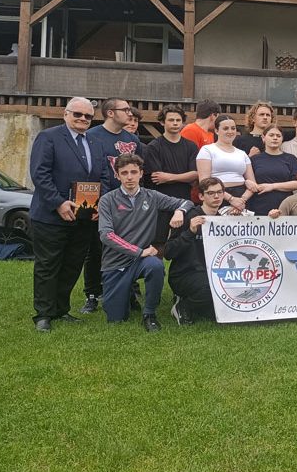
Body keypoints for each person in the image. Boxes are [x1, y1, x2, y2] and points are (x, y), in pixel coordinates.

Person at [29, 97, 110, 332]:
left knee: (72, 265)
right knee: (48, 265)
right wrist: (58, 203)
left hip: (83, 218)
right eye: (78, 115)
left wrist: (99, 205)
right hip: (51, 216)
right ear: (66, 114)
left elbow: (103, 176)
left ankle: (60, 309)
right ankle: (43, 314)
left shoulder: (94, 142)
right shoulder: (49, 137)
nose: (83, 119)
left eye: (87, 116)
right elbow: (40, 174)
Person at [97, 154, 191, 331]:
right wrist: (139, 251)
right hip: (115, 263)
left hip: (142, 261)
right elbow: (106, 235)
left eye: (134, 172)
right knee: (116, 318)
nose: (129, 177)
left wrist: (179, 211)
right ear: (117, 175)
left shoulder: (152, 196)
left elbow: (187, 202)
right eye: (124, 173)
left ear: (141, 173)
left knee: (155, 266)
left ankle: (149, 314)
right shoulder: (107, 200)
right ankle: (128, 294)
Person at [81, 97, 142, 315]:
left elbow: (139, 172)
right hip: (100, 202)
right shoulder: (91, 137)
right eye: (125, 109)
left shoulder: (132, 139)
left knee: (128, 245)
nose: (129, 113)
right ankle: (92, 294)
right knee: (96, 249)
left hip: (128, 202)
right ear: (110, 113)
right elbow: (91, 172)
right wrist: (99, 202)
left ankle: (128, 291)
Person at [163, 176, 225, 324]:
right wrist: (190, 232)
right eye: (211, 193)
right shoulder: (187, 217)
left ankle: (195, 301)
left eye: (220, 192)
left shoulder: (224, 220)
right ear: (201, 196)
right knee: (210, 288)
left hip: (212, 272)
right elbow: (168, 252)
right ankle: (182, 307)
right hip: (184, 274)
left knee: (216, 311)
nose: (216, 196)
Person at [143, 104, 198, 250]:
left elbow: (195, 174)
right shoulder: (154, 146)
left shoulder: (191, 146)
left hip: (184, 201)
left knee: (183, 243)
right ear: (162, 122)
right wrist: (183, 176)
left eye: (178, 120)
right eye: (171, 120)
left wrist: (169, 177)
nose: (175, 123)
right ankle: (158, 272)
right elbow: (156, 177)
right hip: (160, 202)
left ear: (182, 122)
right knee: (158, 244)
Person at [196, 116, 257, 214]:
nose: (230, 131)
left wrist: (242, 200)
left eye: (233, 128)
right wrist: (231, 199)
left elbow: (253, 184)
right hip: (217, 197)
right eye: (225, 128)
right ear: (216, 130)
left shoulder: (242, 153)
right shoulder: (207, 150)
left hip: (242, 199)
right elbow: (204, 182)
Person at [247, 124, 297, 215]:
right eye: (271, 135)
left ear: (282, 139)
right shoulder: (255, 159)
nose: (275, 138)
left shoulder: (290, 159)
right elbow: (247, 180)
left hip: (284, 206)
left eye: (278, 136)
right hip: (259, 207)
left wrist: (272, 186)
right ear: (263, 138)